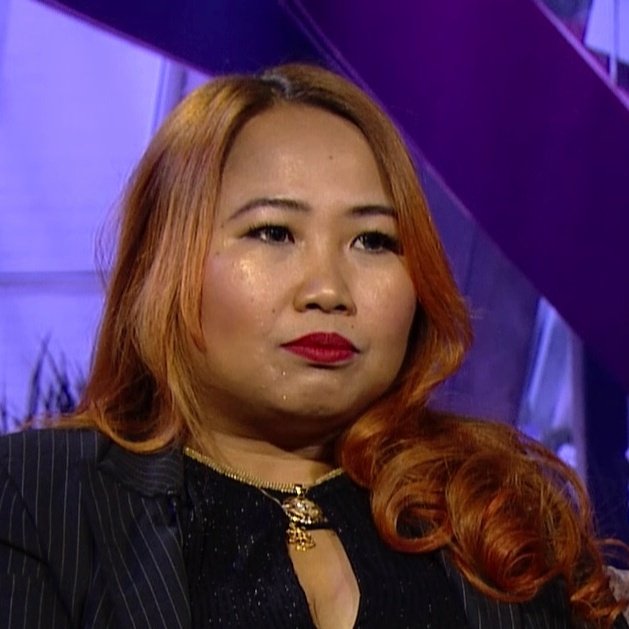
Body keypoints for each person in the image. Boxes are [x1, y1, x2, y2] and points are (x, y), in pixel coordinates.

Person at [0, 63, 626, 629]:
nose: (328, 291)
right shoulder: (40, 499)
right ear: (165, 262)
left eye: (373, 241)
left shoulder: (495, 509)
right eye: (273, 232)